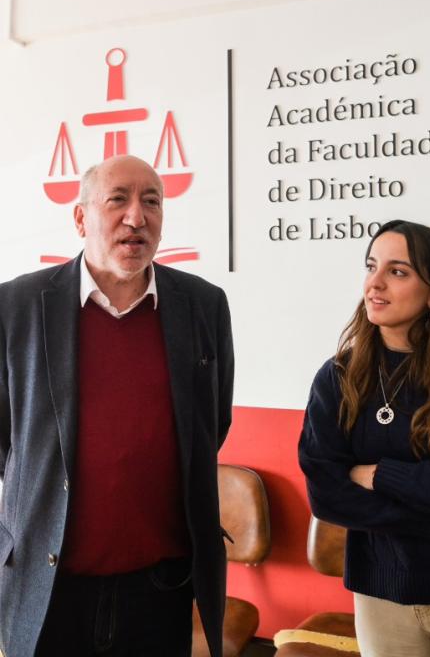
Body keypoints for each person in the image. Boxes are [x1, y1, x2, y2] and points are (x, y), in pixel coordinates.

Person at [0, 155, 234, 657]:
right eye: (118, 200)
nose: (137, 217)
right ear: (80, 217)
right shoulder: (16, 306)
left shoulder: (203, 305)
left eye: (152, 201)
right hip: (49, 588)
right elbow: (6, 442)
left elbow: (211, 425)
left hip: (160, 589)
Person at [299, 219, 430, 657]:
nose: (375, 283)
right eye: (371, 266)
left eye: (397, 271)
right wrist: (428, 520)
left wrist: (377, 475)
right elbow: (327, 495)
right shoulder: (338, 377)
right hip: (379, 592)